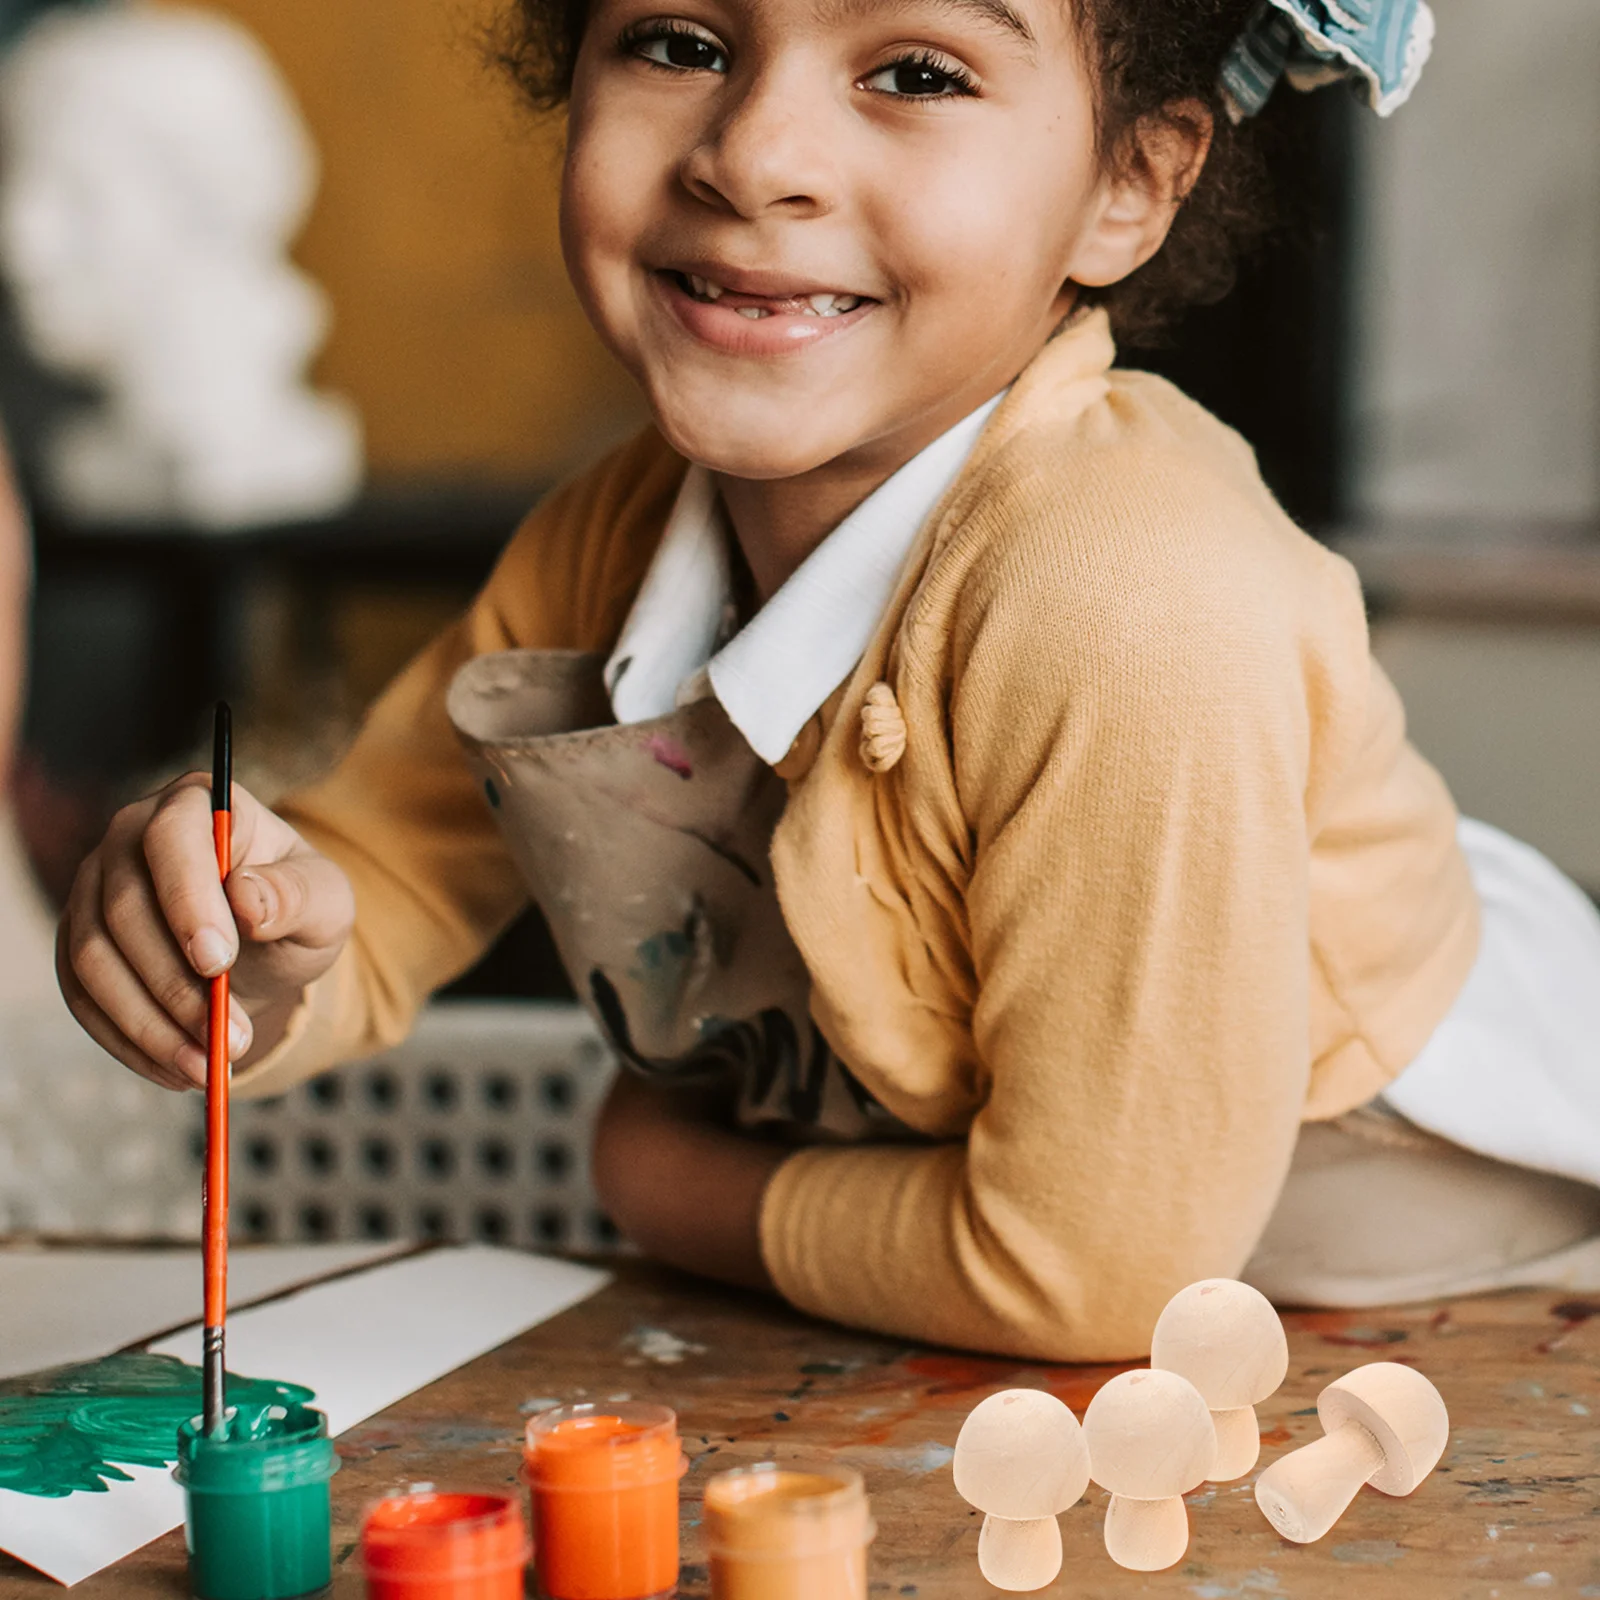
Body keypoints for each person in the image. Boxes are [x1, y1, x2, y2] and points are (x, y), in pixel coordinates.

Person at [55, 0, 1600, 1359]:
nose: (755, 153)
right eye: (680, 42)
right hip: (1048, 1340)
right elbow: (380, 872)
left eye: (917, 70)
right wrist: (243, 943)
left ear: (1127, 186)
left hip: (1467, 1296)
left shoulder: (1131, 594)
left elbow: (1092, 1271)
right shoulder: (614, 530)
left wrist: (651, 1173)